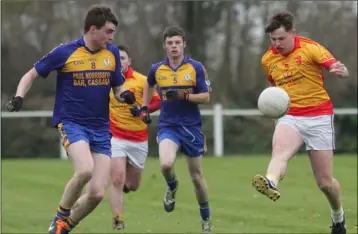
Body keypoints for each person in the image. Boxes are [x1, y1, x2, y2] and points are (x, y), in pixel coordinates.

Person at [6, 5, 136, 234]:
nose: (112, 37)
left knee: (96, 193)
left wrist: (125, 96)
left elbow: (117, 88)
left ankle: (63, 228)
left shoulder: (112, 53)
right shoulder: (65, 52)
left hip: (101, 128)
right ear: (93, 29)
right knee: (85, 170)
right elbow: (31, 74)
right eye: (108, 31)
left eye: (113, 32)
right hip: (72, 123)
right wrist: (18, 96)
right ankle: (59, 218)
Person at [251, 11, 349, 234]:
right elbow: (275, 90)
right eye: (273, 40)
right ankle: (271, 182)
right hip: (290, 116)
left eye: (281, 39)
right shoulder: (268, 59)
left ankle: (338, 216)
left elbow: (336, 66)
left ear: (292, 33)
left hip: (319, 116)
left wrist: (340, 70)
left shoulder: (310, 48)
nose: (276, 44)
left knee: (325, 182)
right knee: (280, 153)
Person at [140, 25, 212, 233]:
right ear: (164, 46)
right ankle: (172, 186)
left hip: (191, 128)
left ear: (184, 44)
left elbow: (206, 96)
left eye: (177, 43)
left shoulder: (196, 68)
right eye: (170, 43)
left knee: (197, 178)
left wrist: (183, 96)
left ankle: (205, 220)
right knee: (165, 164)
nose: (174, 47)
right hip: (168, 126)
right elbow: (148, 84)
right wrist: (145, 107)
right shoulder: (157, 69)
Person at [109, 44, 161, 230]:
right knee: (116, 179)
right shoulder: (107, 82)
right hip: (114, 137)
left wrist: (140, 112)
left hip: (138, 140)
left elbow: (157, 102)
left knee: (132, 185)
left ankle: (126, 185)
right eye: (116, 58)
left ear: (129, 61)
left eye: (123, 58)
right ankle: (118, 220)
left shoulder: (142, 81)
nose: (119, 62)